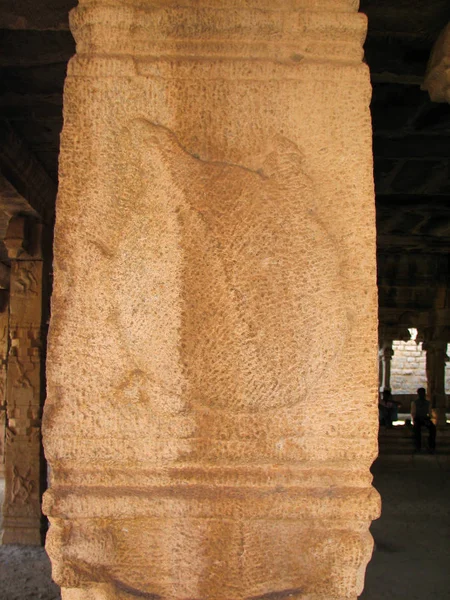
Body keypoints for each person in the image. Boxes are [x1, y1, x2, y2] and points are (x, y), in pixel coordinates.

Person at [411, 387, 436, 453]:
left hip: (425, 419)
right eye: (420, 393)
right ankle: (418, 447)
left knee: (433, 428)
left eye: (423, 393)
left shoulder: (428, 403)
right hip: (418, 419)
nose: (422, 395)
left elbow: (430, 414)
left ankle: (431, 446)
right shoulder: (415, 403)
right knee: (416, 430)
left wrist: (428, 419)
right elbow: (413, 413)